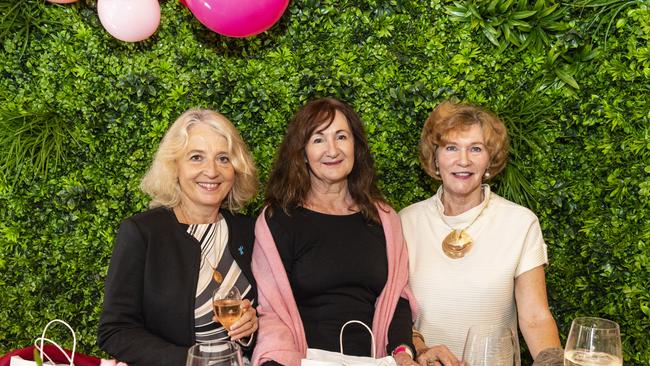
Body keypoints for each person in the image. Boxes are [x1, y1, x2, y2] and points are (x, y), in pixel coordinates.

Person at [251, 97, 418, 366]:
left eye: (341, 136)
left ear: (356, 146)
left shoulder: (385, 219)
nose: (332, 150)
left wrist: (403, 353)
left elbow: (398, 298)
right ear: (302, 153)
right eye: (318, 139)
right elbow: (272, 313)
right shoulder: (279, 220)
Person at [399, 101, 561, 366]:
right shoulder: (406, 222)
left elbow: (535, 318)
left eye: (475, 149)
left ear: (490, 159)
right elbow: (392, 311)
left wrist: (553, 363)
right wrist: (419, 349)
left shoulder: (520, 224)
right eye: (451, 148)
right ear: (435, 158)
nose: (463, 160)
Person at [98, 109, 259, 366]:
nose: (212, 171)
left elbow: (271, 317)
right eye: (196, 157)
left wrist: (251, 329)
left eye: (223, 159)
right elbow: (115, 330)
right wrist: (190, 362)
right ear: (174, 167)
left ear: (236, 169)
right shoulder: (142, 233)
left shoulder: (250, 231)